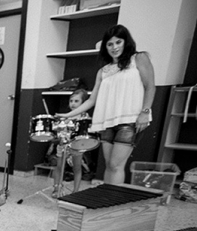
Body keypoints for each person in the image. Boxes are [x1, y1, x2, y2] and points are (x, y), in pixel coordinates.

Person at [58, 24, 155, 185]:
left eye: (118, 42)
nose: (114, 47)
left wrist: (145, 112)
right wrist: (68, 115)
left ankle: (112, 203)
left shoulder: (138, 58)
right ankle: (107, 199)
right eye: (110, 44)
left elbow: (150, 86)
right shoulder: (103, 71)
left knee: (116, 165)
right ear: (105, 47)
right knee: (110, 165)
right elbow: (91, 100)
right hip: (107, 122)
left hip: (130, 120)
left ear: (126, 42)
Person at [47, 89, 90, 195]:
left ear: (84, 103)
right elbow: (58, 129)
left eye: (76, 101)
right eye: (71, 101)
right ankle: (56, 188)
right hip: (63, 144)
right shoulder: (66, 116)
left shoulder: (84, 117)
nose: (73, 104)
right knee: (59, 167)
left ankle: (75, 191)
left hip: (77, 145)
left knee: (77, 167)